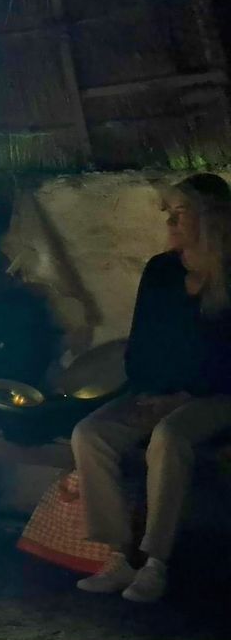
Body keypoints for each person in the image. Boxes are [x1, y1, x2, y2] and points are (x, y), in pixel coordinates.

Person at [72, 172, 231, 603]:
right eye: (169, 214)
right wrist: (151, 392)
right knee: (91, 433)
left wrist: (184, 395)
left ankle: (156, 561)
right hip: (159, 390)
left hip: (217, 395)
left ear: (211, 219)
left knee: (170, 437)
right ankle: (117, 554)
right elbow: (141, 345)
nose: (170, 224)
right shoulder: (161, 271)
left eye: (180, 214)